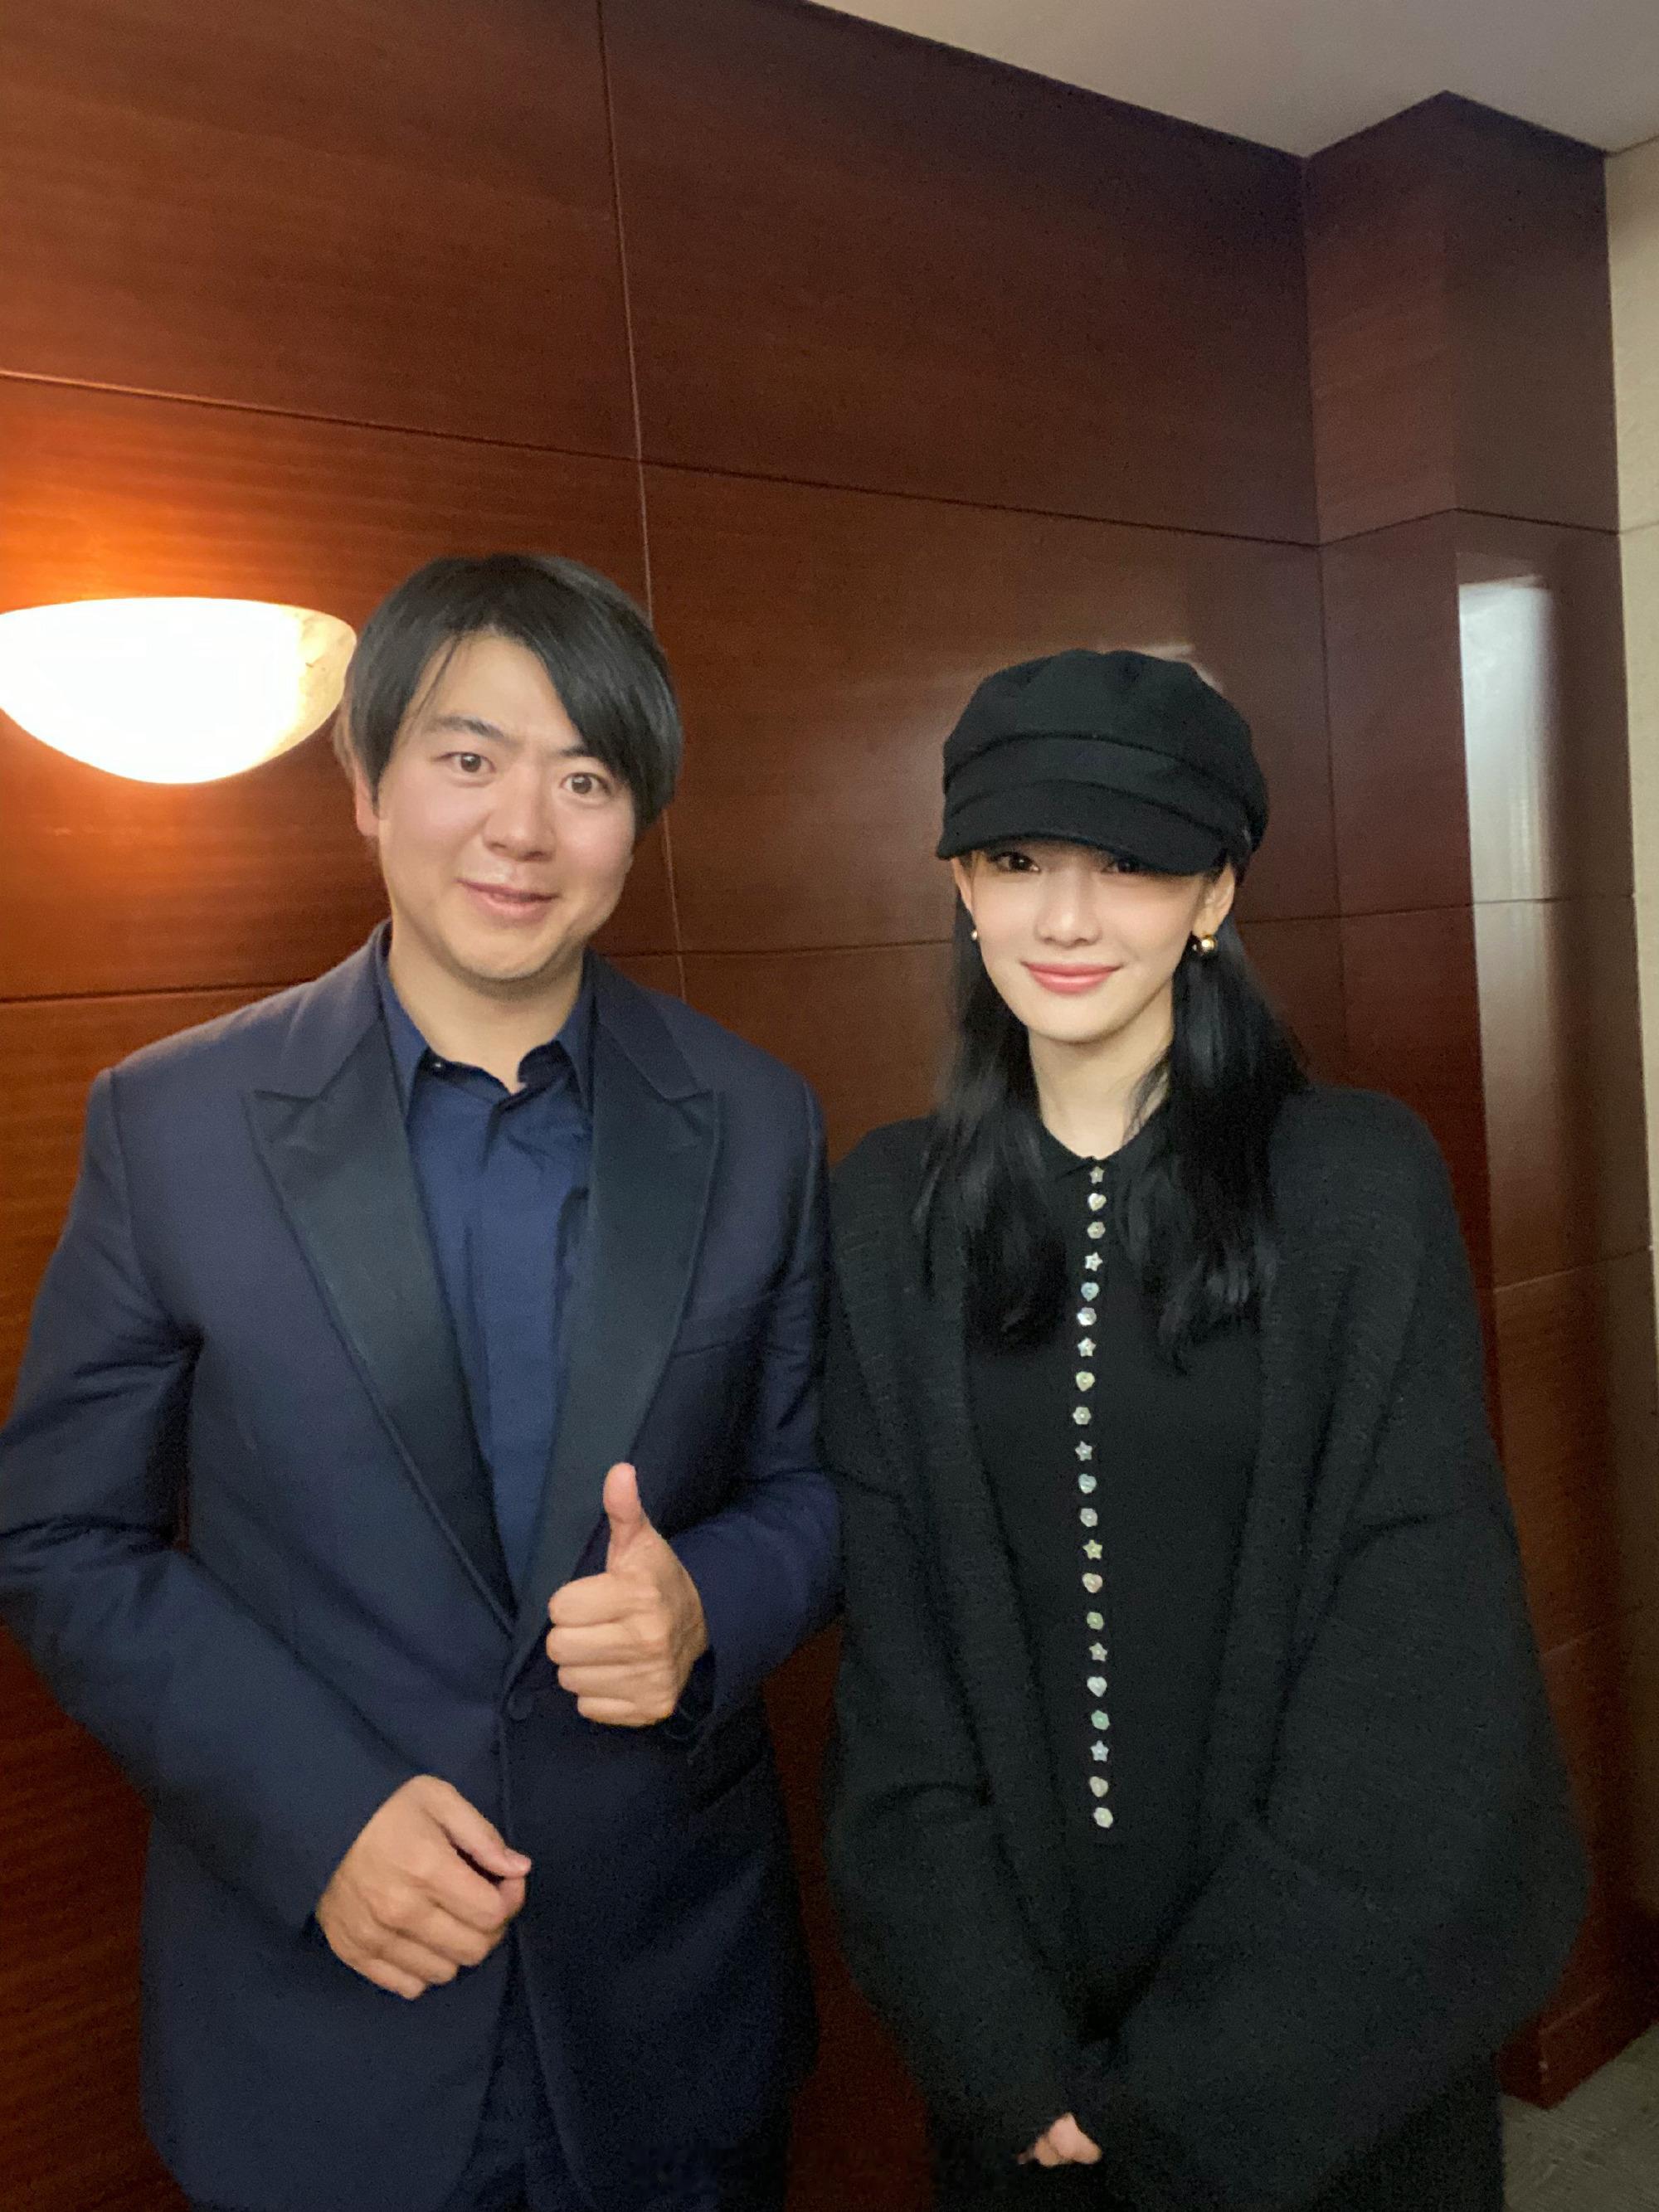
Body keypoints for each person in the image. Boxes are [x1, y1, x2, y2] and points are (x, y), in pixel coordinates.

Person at [0, 553, 838, 2212]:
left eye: (585, 779)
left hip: (672, 2009)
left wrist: (705, 1607)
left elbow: (817, 1484)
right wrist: (314, 1815)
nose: (523, 828)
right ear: (368, 784)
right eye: (468, 757)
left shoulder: (758, 1118)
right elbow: (59, 1536)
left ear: (636, 821)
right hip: (316, 2022)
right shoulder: (172, 1123)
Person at [822, 649, 1585, 2211]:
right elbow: (899, 1674)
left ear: (1216, 893)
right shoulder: (888, 1208)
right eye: (1017, 861)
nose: (1066, 917)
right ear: (962, 883)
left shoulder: (1356, 1182)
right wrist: (1001, 2051)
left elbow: (1421, 1666)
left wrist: (1207, 2080)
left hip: (1326, 2055)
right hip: (1022, 2064)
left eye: (1131, 862)